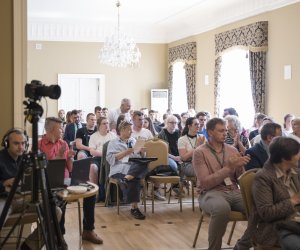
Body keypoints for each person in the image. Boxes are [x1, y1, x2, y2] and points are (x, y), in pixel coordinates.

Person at [39, 117, 103, 244]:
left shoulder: (63, 143)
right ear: (51, 129)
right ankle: (59, 235)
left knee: (90, 191)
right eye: (60, 127)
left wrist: (69, 158)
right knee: (58, 199)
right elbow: (45, 171)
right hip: (49, 182)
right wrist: (60, 155)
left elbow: (71, 168)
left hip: (67, 180)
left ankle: (88, 230)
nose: (62, 130)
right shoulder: (39, 145)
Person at [192, 118, 250, 250]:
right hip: (211, 193)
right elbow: (205, 183)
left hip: (234, 191)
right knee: (221, 208)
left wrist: (242, 169)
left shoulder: (232, 150)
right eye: (221, 131)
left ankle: (244, 244)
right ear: (210, 132)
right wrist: (228, 168)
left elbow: (241, 178)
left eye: (226, 130)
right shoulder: (200, 152)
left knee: (259, 206)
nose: (225, 133)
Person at [0, 128, 63, 249]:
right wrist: (3, 183)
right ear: (7, 143)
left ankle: (29, 246)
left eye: (23, 143)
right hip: (4, 199)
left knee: (56, 212)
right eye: (16, 143)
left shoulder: (27, 159)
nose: (20, 147)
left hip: (23, 199)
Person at [239, 137, 300, 249]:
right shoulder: (263, 177)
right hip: (277, 228)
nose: (299, 155)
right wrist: (294, 200)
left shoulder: (295, 172)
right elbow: (267, 213)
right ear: (284, 158)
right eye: (297, 153)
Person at [106, 121, 148, 220]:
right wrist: (126, 152)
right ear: (122, 130)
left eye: (131, 129)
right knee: (135, 178)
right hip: (119, 168)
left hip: (133, 166)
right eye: (129, 130)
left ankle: (126, 179)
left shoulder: (133, 141)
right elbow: (110, 158)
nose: (131, 132)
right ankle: (134, 208)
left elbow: (139, 157)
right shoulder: (113, 142)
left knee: (145, 163)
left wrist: (142, 153)